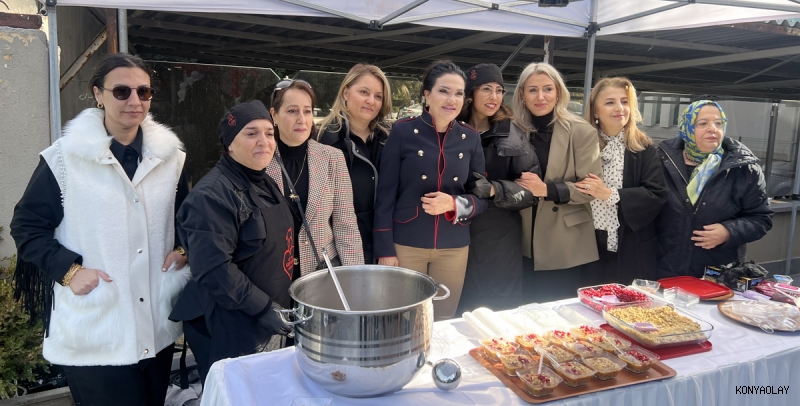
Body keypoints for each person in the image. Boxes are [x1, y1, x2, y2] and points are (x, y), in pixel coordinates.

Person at [10, 53, 190, 406]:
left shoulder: (172, 159)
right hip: (97, 328)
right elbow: (27, 226)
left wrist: (183, 250)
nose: (135, 101)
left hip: (156, 325)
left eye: (144, 91)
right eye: (122, 91)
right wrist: (69, 270)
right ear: (98, 94)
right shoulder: (64, 159)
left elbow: (186, 218)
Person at [169, 100, 294, 384]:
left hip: (264, 320)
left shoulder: (266, 181)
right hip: (228, 324)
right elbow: (215, 269)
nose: (263, 141)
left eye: (269, 133)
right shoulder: (211, 196)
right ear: (230, 144)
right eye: (251, 133)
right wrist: (264, 308)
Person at [373, 60, 488, 320]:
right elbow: (385, 195)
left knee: (444, 317)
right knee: (403, 319)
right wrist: (385, 249)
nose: (452, 100)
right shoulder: (402, 131)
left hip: (453, 246)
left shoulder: (470, 138)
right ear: (427, 94)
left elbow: (482, 196)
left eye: (458, 93)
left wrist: (454, 204)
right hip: (407, 242)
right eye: (443, 91)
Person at [512, 62, 601, 303]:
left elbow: (591, 188)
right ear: (522, 95)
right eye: (532, 90)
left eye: (547, 89)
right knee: (522, 311)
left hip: (564, 240)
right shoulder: (512, 129)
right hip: (520, 236)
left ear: (558, 93)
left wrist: (547, 190)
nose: (540, 96)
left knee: (557, 313)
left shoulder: (581, 131)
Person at [455, 63, 540, 313]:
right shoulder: (450, 128)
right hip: (454, 232)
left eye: (499, 90)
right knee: (454, 307)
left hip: (497, 238)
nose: (494, 96)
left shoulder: (513, 134)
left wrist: (494, 189)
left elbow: (531, 193)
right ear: (470, 93)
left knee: (497, 312)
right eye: (486, 89)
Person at [656, 100, 773, 278]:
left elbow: (761, 218)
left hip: (716, 272)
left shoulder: (744, 168)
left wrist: (729, 231)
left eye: (718, 123)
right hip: (662, 269)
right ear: (687, 127)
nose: (712, 129)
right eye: (703, 123)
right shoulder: (660, 161)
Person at [265, 80, 363, 278]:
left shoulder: (332, 158)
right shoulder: (260, 160)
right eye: (292, 111)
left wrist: (355, 279)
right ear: (274, 115)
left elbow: (346, 225)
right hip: (273, 275)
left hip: (321, 273)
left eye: (307, 111)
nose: (301, 119)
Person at [577, 77, 668, 286]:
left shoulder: (644, 148)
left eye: (625, 102)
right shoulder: (580, 145)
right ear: (596, 111)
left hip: (629, 245)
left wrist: (610, 194)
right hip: (586, 243)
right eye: (610, 102)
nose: (620, 108)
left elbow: (657, 193)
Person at [317, 64, 392, 264]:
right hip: (339, 249)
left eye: (378, 96)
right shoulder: (323, 139)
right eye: (364, 92)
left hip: (383, 245)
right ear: (345, 93)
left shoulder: (389, 139)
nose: (371, 101)